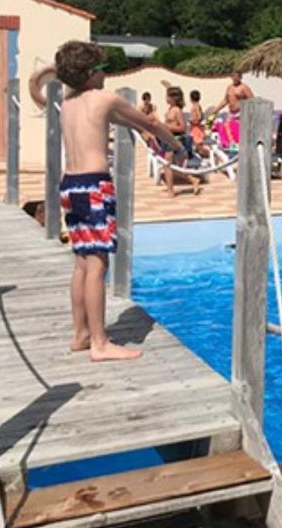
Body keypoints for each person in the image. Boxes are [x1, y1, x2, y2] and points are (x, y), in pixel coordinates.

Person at [29, 42, 181, 361]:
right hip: (94, 186)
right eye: (102, 69)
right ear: (89, 73)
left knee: (82, 263)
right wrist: (177, 146)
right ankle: (100, 343)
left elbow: (40, 90)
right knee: (98, 265)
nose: (106, 75)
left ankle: (81, 334)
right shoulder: (103, 99)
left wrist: (55, 71)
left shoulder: (68, 103)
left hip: (70, 186)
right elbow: (151, 124)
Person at [163, 86, 202, 197]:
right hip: (168, 138)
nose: (165, 98)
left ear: (173, 98)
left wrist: (168, 127)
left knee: (168, 164)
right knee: (171, 166)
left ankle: (170, 190)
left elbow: (183, 128)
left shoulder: (177, 110)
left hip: (175, 139)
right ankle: (193, 180)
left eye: (167, 96)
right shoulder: (170, 109)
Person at [188, 90, 211, 159]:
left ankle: (206, 155)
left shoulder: (195, 106)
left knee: (198, 144)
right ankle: (203, 156)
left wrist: (193, 121)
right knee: (197, 144)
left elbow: (199, 116)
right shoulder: (197, 106)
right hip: (195, 126)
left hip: (196, 127)